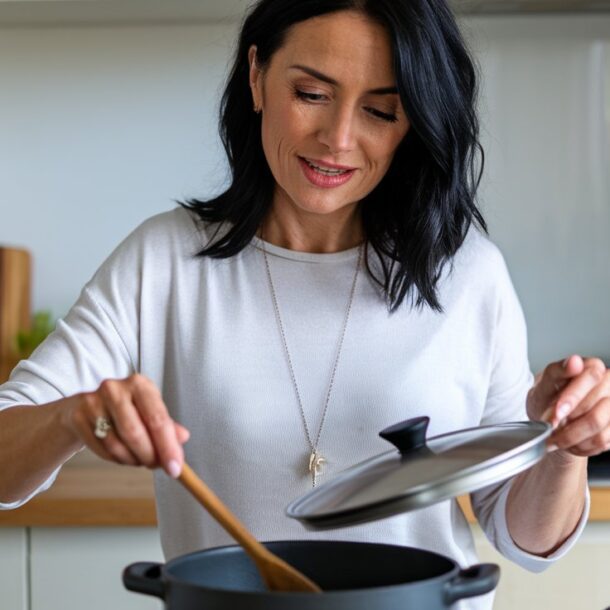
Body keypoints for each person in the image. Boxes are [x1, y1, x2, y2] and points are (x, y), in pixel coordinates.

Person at [0, 0, 608, 608]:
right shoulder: (163, 262)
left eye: (380, 110)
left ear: (411, 123)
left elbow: (526, 539)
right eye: (313, 94)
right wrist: (74, 415)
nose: (338, 139)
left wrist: (562, 448)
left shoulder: (464, 273)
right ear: (257, 75)